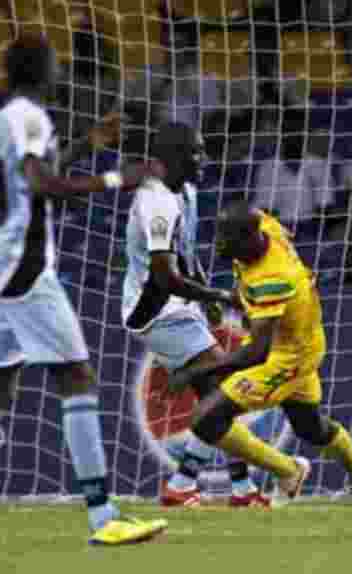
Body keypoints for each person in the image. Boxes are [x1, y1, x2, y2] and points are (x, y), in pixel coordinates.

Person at [0, 34, 167, 549]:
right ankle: (104, 517)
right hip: (25, 267)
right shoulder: (32, 118)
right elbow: (40, 185)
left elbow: (27, 177)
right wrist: (114, 179)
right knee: (77, 377)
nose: (61, 72)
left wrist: (87, 144)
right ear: (41, 71)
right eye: (56, 65)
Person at [166, 201, 352, 506]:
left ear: (250, 238)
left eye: (229, 238)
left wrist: (191, 373)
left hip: (287, 355)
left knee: (205, 418)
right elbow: (269, 228)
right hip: (299, 338)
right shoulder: (264, 227)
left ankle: (288, 470)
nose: (220, 244)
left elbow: (255, 353)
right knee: (311, 427)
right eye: (219, 235)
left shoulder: (273, 278)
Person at [121, 122, 275, 509]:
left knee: (221, 394)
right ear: (172, 158)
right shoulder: (156, 202)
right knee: (225, 392)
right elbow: (164, 275)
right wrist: (221, 295)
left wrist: (208, 298)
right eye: (196, 152)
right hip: (156, 309)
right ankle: (187, 483)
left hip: (179, 306)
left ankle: (231, 489)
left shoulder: (186, 193)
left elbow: (186, 257)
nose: (203, 159)